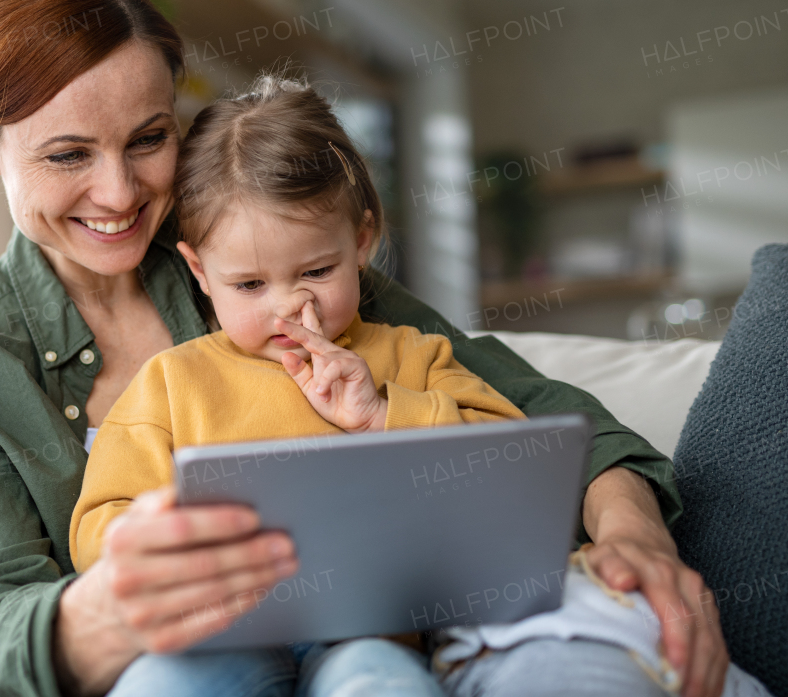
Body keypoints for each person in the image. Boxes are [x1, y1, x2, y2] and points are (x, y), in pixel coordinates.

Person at [0, 0, 728, 697]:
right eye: (67, 154)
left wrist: (636, 538)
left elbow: (550, 425)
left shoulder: (267, 257)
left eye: (149, 138)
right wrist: (114, 594)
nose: (120, 192)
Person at [69, 76, 527, 696]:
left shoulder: (412, 357)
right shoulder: (173, 384)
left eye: (316, 271)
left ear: (362, 241)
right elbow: (99, 526)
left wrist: (383, 414)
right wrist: (154, 537)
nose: (289, 308)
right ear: (201, 272)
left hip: (371, 636)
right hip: (219, 638)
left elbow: (520, 477)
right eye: (250, 286)